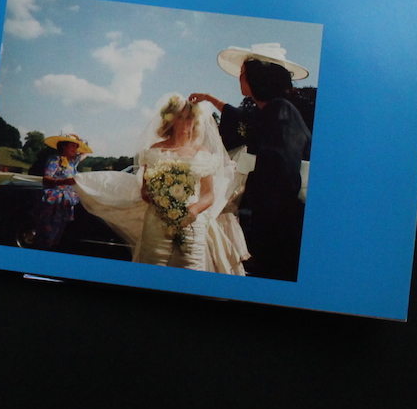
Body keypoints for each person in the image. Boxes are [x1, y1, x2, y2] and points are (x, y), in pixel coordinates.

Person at [190, 43, 312, 281]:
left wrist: (248, 177)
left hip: (282, 226)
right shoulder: (270, 111)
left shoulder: (281, 112)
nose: (240, 77)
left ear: (259, 77)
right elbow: (241, 118)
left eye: (243, 73)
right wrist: (208, 98)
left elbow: (282, 173)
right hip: (271, 221)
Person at [132, 94, 247, 272]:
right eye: (181, 117)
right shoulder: (155, 151)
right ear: (171, 119)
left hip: (192, 224)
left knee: (190, 271)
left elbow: (208, 194)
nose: (186, 122)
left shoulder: (203, 154)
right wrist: (164, 205)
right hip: (157, 223)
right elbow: (145, 191)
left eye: (190, 117)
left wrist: (194, 209)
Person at [30, 133, 92, 249]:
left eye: (76, 146)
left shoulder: (73, 161)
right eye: (72, 145)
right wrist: (65, 181)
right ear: (64, 146)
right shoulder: (55, 160)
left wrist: (80, 140)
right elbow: (46, 179)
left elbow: (86, 153)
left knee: (57, 237)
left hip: (65, 205)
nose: (75, 149)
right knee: (46, 236)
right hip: (53, 204)